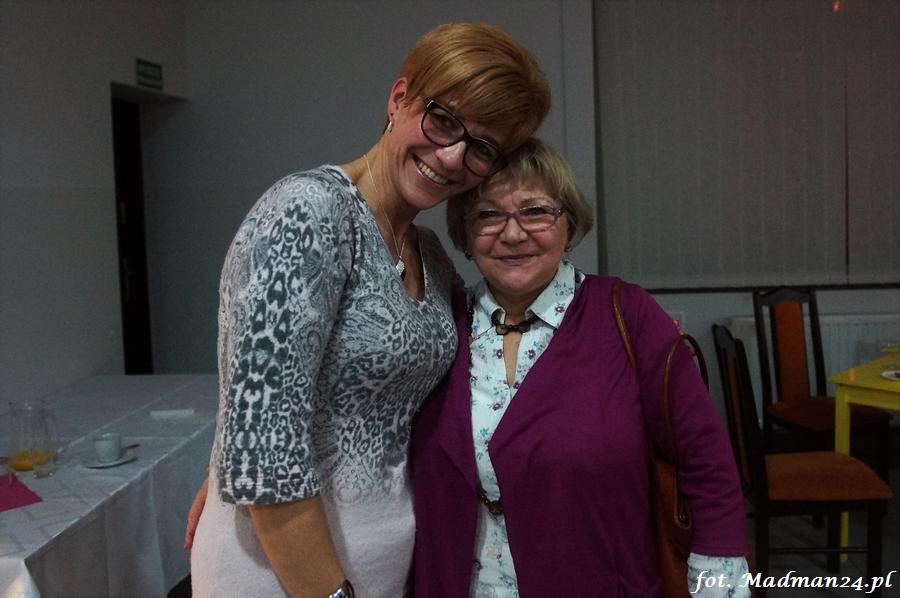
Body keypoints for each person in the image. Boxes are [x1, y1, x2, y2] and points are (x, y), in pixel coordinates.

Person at [187, 23, 551, 598]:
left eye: (482, 148)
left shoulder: (428, 253)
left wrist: (608, 321)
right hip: (283, 576)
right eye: (443, 120)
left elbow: (494, 352)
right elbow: (264, 458)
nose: (451, 156)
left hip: (382, 566)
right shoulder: (308, 213)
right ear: (399, 98)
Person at [410, 138, 749, 597]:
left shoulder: (628, 316)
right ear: (466, 236)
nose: (513, 234)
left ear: (569, 225)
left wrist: (718, 585)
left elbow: (706, 461)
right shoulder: (439, 328)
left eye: (535, 211)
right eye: (488, 215)